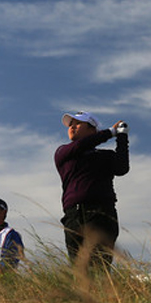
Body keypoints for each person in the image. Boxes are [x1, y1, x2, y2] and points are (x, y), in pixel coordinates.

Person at [55, 111, 130, 268]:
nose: (72, 127)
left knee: (99, 267)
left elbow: (122, 168)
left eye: (78, 123)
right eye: (70, 124)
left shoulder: (105, 156)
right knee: (79, 270)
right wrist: (111, 132)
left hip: (101, 215)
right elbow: (81, 146)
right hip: (73, 217)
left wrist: (122, 137)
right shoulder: (63, 153)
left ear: (92, 130)